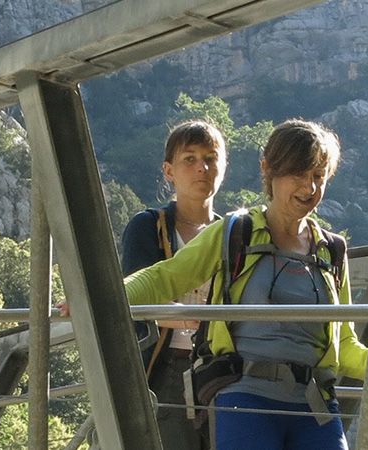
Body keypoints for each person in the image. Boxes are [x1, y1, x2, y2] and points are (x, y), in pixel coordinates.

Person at [124, 119, 368, 449]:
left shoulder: (331, 250)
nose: (309, 188)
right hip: (245, 398)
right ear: (269, 169)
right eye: (299, 173)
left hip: (315, 406)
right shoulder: (235, 232)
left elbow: (344, 343)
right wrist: (98, 298)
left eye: (318, 176)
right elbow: (164, 276)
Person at [119, 120, 227, 450]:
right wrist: (189, 317)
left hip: (218, 369)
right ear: (169, 171)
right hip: (164, 367)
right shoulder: (149, 226)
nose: (202, 168)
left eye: (211, 158)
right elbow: (133, 300)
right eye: (189, 159)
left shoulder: (232, 234)